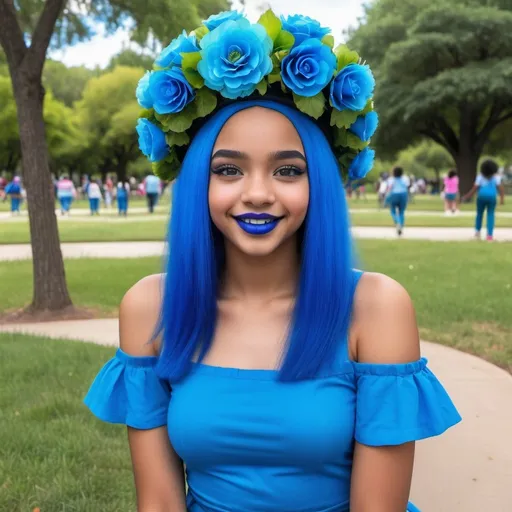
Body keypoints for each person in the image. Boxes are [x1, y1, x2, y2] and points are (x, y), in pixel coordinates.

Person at [83, 10, 460, 512]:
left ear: (319, 183)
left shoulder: (375, 308)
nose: (257, 194)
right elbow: (158, 501)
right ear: (199, 181)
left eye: (287, 169)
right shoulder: (150, 307)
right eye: (228, 169)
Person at [462, 159, 505, 241]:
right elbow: (501, 189)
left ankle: (477, 232)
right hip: (492, 197)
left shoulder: (480, 177)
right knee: (490, 214)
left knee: (479, 214)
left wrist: (466, 196)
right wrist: (502, 199)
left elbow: (474, 188)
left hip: (481, 197)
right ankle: (489, 235)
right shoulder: (496, 177)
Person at [387, 166, 410, 236]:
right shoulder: (405, 178)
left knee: (392, 211)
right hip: (403, 194)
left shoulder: (391, 179)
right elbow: (407, 186)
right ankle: (401, 225)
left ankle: (397, 222)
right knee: (401, 212)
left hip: (394, 194)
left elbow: (389, 188)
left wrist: (387, 198)